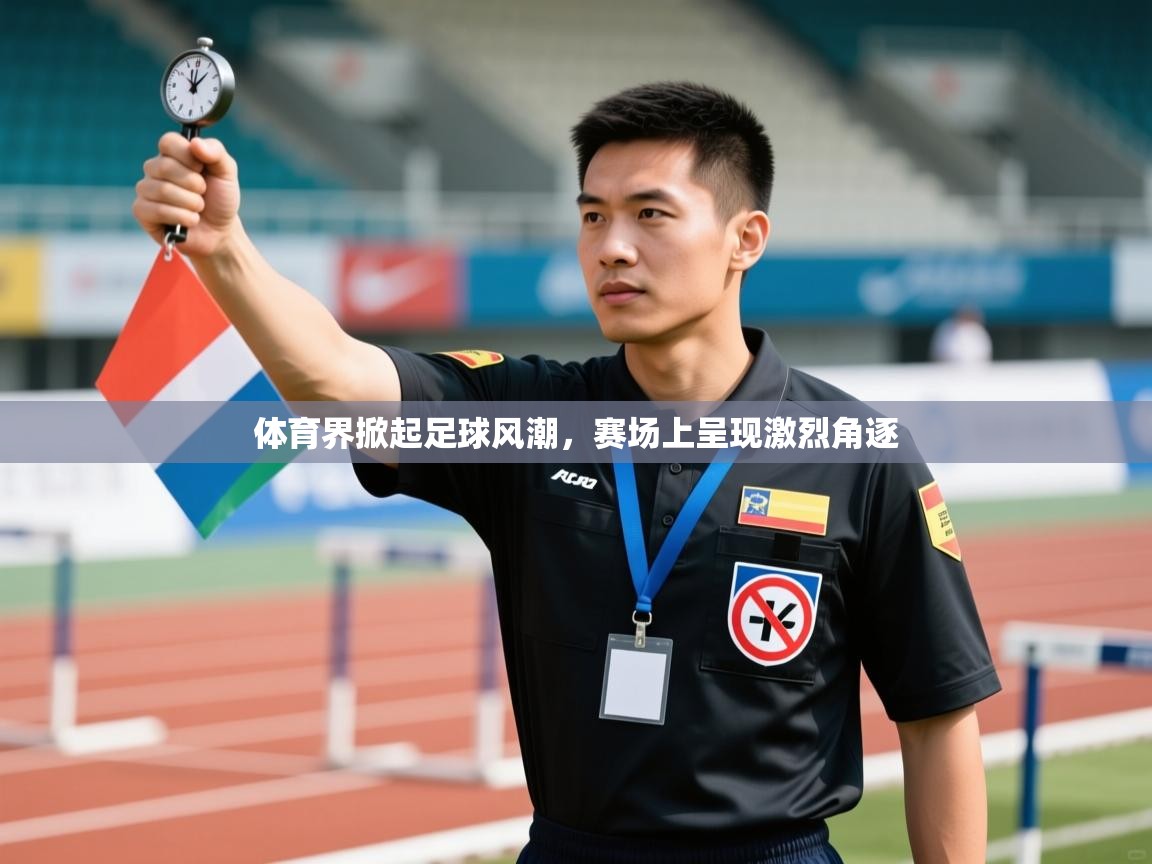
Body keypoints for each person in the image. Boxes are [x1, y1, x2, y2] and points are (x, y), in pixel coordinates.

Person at [133, 81, 1000, 864]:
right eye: (592, 217)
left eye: (650, 215)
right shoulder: (530, 414)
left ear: (745, 239)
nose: (612, 247)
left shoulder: (860, 452)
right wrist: (224, 249)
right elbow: (332, 376)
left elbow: (937, 716)